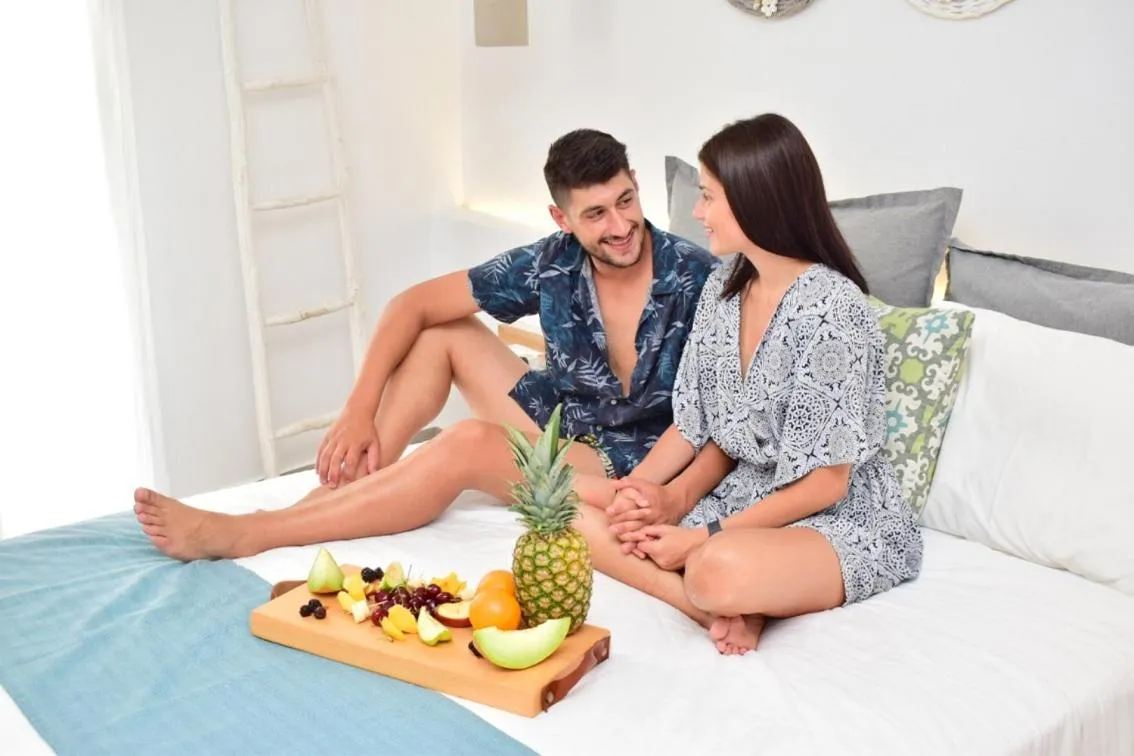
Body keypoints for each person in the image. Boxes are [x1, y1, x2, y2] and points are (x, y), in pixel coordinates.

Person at [132, 129, 718, 561]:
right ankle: (333, 495)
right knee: (443, 333)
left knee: (469, 443)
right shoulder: (549, 263)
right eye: (595, 214)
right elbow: (411, 305)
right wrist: (359, 411)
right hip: (565, 421)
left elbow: (719, 413)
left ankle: (255, 532)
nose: (618, 226)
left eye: (625, 202)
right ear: (561, 218)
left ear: (636, 185)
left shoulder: (699, 275)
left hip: (629, 457)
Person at [568, 113, 924, 655]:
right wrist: (646, 496)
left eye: (708, 196)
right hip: (743, 500)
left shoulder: (834, 309)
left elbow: (828, 483)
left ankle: (722, 590)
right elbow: (702, 428)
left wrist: (706, 537)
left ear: (755, 199)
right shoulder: (723, 291)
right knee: (576, 519)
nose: (697, 212)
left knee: (715, 567)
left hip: (838, 519)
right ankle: (716, 605)